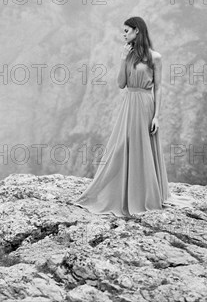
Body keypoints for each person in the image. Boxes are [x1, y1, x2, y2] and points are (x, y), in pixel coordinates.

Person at [72, 16, 194, 217]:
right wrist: (122, 58)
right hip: (129, 104)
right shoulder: (127, 56)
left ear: (137, 31)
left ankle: (144, 195)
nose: (124, 34)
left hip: (145, 104)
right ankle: (118, 192)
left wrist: (157, 116)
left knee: (144, 146)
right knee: (121, 146)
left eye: (127, 31)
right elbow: (121, 84)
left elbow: (159, 88)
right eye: (123, 31)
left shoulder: (155, 57)